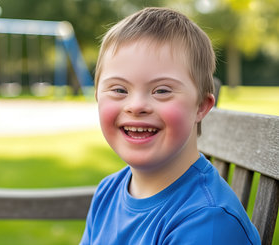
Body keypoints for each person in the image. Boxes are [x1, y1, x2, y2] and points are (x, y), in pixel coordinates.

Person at [80, 7, 261, 244]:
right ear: (97, 97)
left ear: (201, 107)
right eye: (119, 90)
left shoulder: (208, 223)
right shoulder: (108, 191)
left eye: (162, 90)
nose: (136, 106)